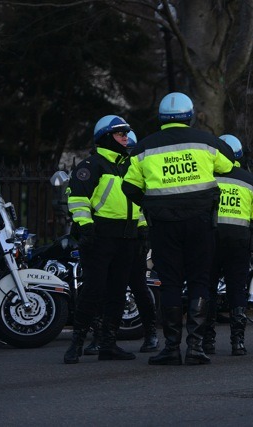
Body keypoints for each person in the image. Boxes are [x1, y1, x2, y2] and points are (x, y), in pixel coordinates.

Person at [122, 92, 235, 366]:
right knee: (199, 280)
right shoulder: (206, 143)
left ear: (161, 118)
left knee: (170, 281)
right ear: (190, 116)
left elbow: (129, 186)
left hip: (163, 225)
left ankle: (171, 348)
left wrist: (150, 206)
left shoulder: (144, 148)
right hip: (199, 222)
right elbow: (229, 164)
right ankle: (195, 348)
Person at [63, 115, 140, 364]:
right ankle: (76, 344)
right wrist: (86, 228)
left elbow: (141, 200)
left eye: (127, 133)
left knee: (117, 292)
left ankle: (108, 344)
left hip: (127, 236)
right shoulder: (91, 165)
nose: (126, 138)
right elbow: (77, 199)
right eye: (120, 134)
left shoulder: (131, 165)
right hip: (99, 236)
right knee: (93, 290)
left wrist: (144, 228)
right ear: (107, 137)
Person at [82, 130, 159, 356]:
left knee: (138, 286)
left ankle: (151, 333)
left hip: (134, 236)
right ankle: (100, 336)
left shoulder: (135, 168)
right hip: (111, 235)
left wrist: (144, 231)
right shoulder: (105, 166)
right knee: (101, 287)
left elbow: (141, 206)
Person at [203, 134, 253, 356]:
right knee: (236, 289)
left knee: (207, 288)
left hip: (210, 239)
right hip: (238, 241)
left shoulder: (206, 175)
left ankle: (206, 342)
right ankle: (237, 342)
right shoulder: (249, 179)